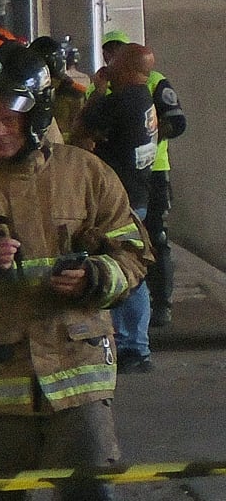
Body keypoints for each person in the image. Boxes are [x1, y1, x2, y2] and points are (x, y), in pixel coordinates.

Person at [0, 44, 150, 501]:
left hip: (77, 365)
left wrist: (98, 277)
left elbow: (133, 251)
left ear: (37, 115)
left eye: (9, 120)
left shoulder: (85, 172)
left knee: (92, 488)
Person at [81, 37, 182, 372]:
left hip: (117, 199)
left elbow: (85, 124)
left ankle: (132, 346)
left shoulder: (121, 100)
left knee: (126, 270)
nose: (109, 65)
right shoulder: (144, 99)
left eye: (115, 62)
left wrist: (98, 89)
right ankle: (135, 345)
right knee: (134, 266)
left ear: (124, 68)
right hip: (136, 194)